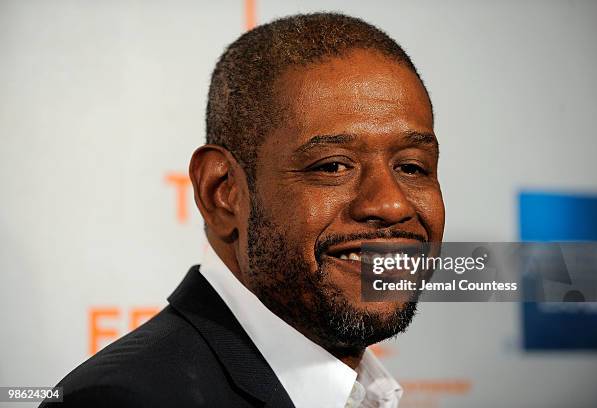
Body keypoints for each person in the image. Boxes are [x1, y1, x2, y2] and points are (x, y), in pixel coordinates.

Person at [42, 12, 444, 408]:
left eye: (411, 167)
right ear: (222, 191)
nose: (391, 204)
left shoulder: (364, 394)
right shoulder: (122, 401)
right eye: (332, 166)